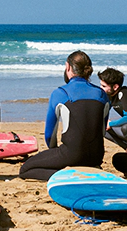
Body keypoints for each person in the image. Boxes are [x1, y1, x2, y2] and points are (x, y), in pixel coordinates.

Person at [19, 51, 110, 181]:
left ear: (68, 67)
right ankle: (88, 168)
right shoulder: (101, 94)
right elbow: (101, 131)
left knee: (25, 169)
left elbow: (50, 136)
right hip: (96, 156)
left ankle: (69, 176)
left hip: (71, 154)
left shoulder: (61, 93)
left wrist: (54, 153)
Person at [98, 68, 127, 153]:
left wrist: (111, 123)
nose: (100, 88)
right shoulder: (110, 95)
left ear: (115, 87)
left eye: (104, 86)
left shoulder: (125, 94)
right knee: (102, 127)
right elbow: (102, 112)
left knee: (126, 127)